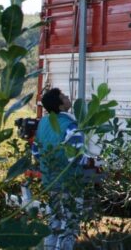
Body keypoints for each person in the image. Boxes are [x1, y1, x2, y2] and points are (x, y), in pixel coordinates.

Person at [31, 88, 87, 250]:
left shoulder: (42, 123)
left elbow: (36, 151)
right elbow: (75, 156)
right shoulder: (70, 126)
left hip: (50, 181)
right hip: (69, 182)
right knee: (70, 224)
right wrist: (90, 161)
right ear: (61, 105)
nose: (68, 97)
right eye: (64, 96)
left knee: (54, 221)